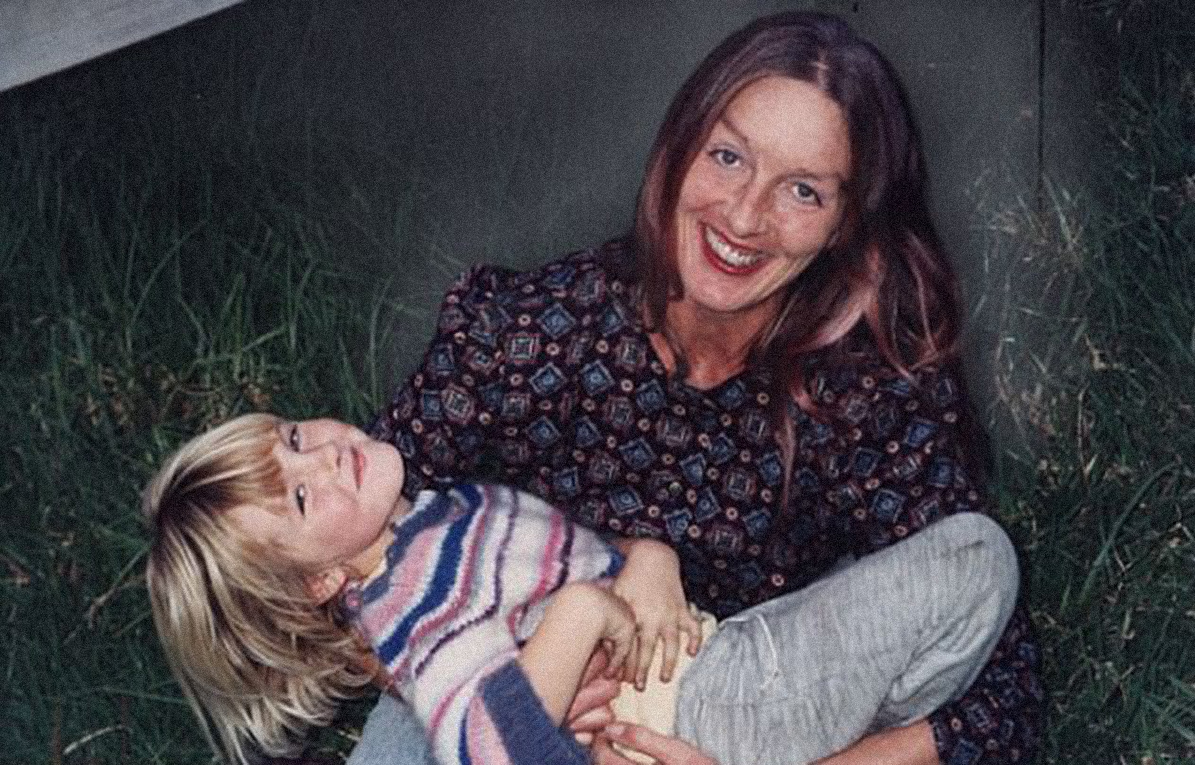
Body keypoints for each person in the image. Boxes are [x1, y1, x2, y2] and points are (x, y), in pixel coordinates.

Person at [356, 10, 1044, 765]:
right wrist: (535, 677)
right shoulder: (532, 334)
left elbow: (1003, 692)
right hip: (507, 665)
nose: (745, 216)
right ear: (679, 145)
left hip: (746, 700)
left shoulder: (869, 395)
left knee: (976, 559)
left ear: (845, 225)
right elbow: (333, 559)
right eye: (727, 156)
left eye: (803, 192)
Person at [143, 413, 710, 765]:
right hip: (688, 706)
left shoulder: (436, 526)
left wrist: (647, 558)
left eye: (293, 437)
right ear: (320, 580)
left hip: (685, 667)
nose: (322, 456)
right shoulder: (410, 600)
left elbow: (557, 569)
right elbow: (488, 750)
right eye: (300, 498)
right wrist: (582, 612)